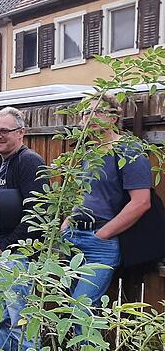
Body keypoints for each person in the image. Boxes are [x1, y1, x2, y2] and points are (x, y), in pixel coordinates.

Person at [63, 94, 151, 308]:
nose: (89, 117)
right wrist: (66, 222)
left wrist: (104, 234)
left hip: (99, 243)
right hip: (72, 238)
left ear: (113, 119)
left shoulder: (129, 150)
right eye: (85, 113)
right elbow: (83, 192)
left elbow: (141, 202)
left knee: (80, 308)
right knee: (65, 307)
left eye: (97, 112)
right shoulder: (88, 151)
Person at [0, 106, 48, 351]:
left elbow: (36, 215)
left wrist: (2, 249)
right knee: (4, 319)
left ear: (21, 133)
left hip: (17, 256)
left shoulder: (28, 161)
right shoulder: (3, 162)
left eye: (4, 131)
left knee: (21, 320)